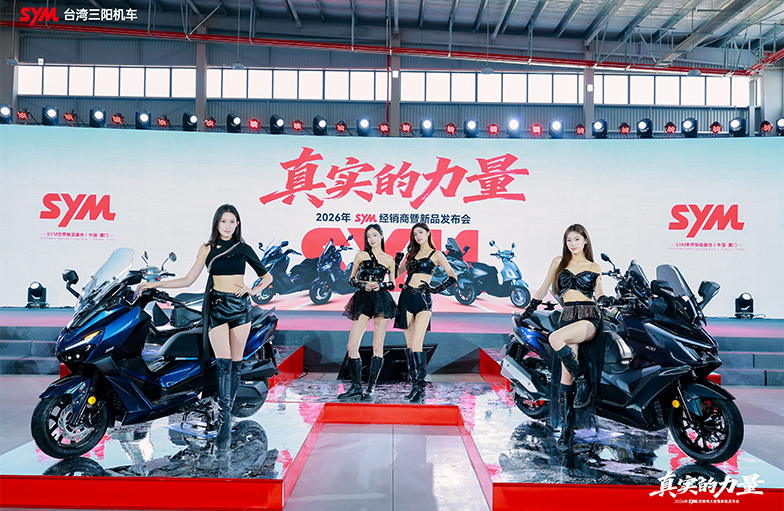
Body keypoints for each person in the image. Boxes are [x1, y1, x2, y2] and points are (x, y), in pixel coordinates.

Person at [138, 204, 273, 447]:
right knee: (223, 364)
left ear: (237, 224)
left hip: (240, 308)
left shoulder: (244, 248)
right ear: (216, 223)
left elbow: (267, 276)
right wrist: (153, 285)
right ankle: (223, 419)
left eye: (232, 222)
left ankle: (227, 417)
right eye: (224, 221)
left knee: (235, 365)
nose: (228, 226)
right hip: (218, 308)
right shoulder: (207, 249)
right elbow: (188, 280)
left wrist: (253, 290)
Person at [515, 224, 608, 453]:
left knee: (556, 338)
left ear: (585, 241)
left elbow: (599, 293)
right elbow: (543, 287)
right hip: (567, 318)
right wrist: (528, 311)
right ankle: (567, 431)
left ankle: (583, 382)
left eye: (576, 239)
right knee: (566, 377)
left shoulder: (594, 266)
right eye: (569, 240)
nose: (573, 244)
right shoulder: (559, 262)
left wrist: (608, 302)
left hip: (588, 318)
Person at [394, 223, 457, 404]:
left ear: (428, 233)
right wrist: (397, 262)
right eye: (415, 234)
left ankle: (421, 389)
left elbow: (453, 276)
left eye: (420, 232)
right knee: (409, 343)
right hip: (406, 298)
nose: (418, 236)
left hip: (423, 300)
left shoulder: (436, 255)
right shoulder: (412, 255)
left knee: (417, 342)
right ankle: (414, 386)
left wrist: (435, 289)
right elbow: (396, 274)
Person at [337, 224, 398, 402]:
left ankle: (370, 388)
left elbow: (392, 284)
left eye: (374, 235)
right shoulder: (360, 256)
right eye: (368, 236)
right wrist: (363, 285)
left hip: (381, 300)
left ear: (381, 236)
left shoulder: (389, 259)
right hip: (363, 298)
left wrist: (381, 285)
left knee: (377, 345)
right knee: (352, 345)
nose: (371, 239)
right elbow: (351, 279)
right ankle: (356, 387)